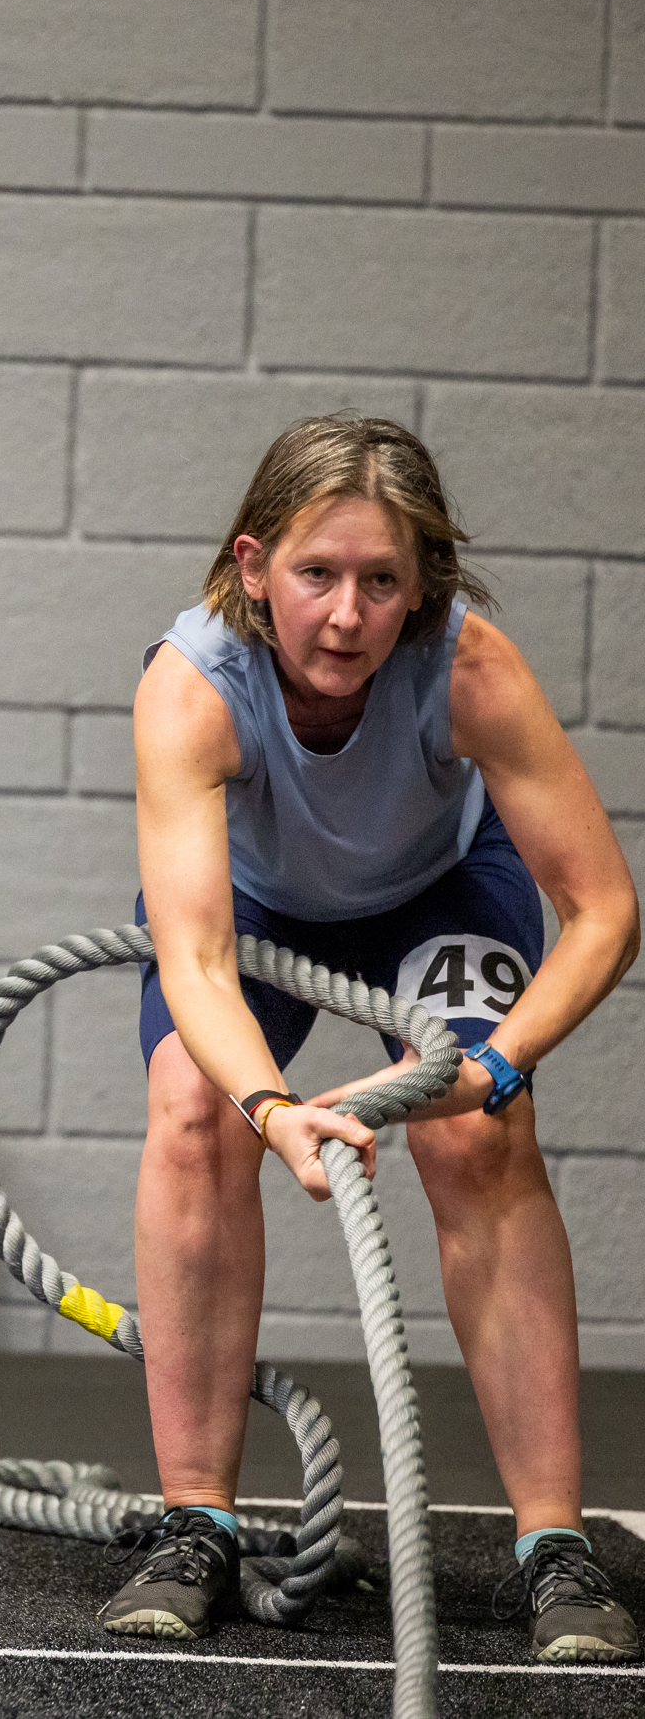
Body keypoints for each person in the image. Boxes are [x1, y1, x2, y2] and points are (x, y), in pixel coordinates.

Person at [115, 415, 638, 1663]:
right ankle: (197, 1524)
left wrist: (497, 1066)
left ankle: (552, 1547)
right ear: (252, 567)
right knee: (191, 1112)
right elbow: (191, 956)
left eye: (379, 581)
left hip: (436, 892)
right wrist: (267, 1107)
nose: (345, 615)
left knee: (478, 1139)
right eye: (314, 575)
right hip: (252, 907)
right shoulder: (189, 686)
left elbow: (605, 908)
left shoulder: (466, 670)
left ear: (420, 588)